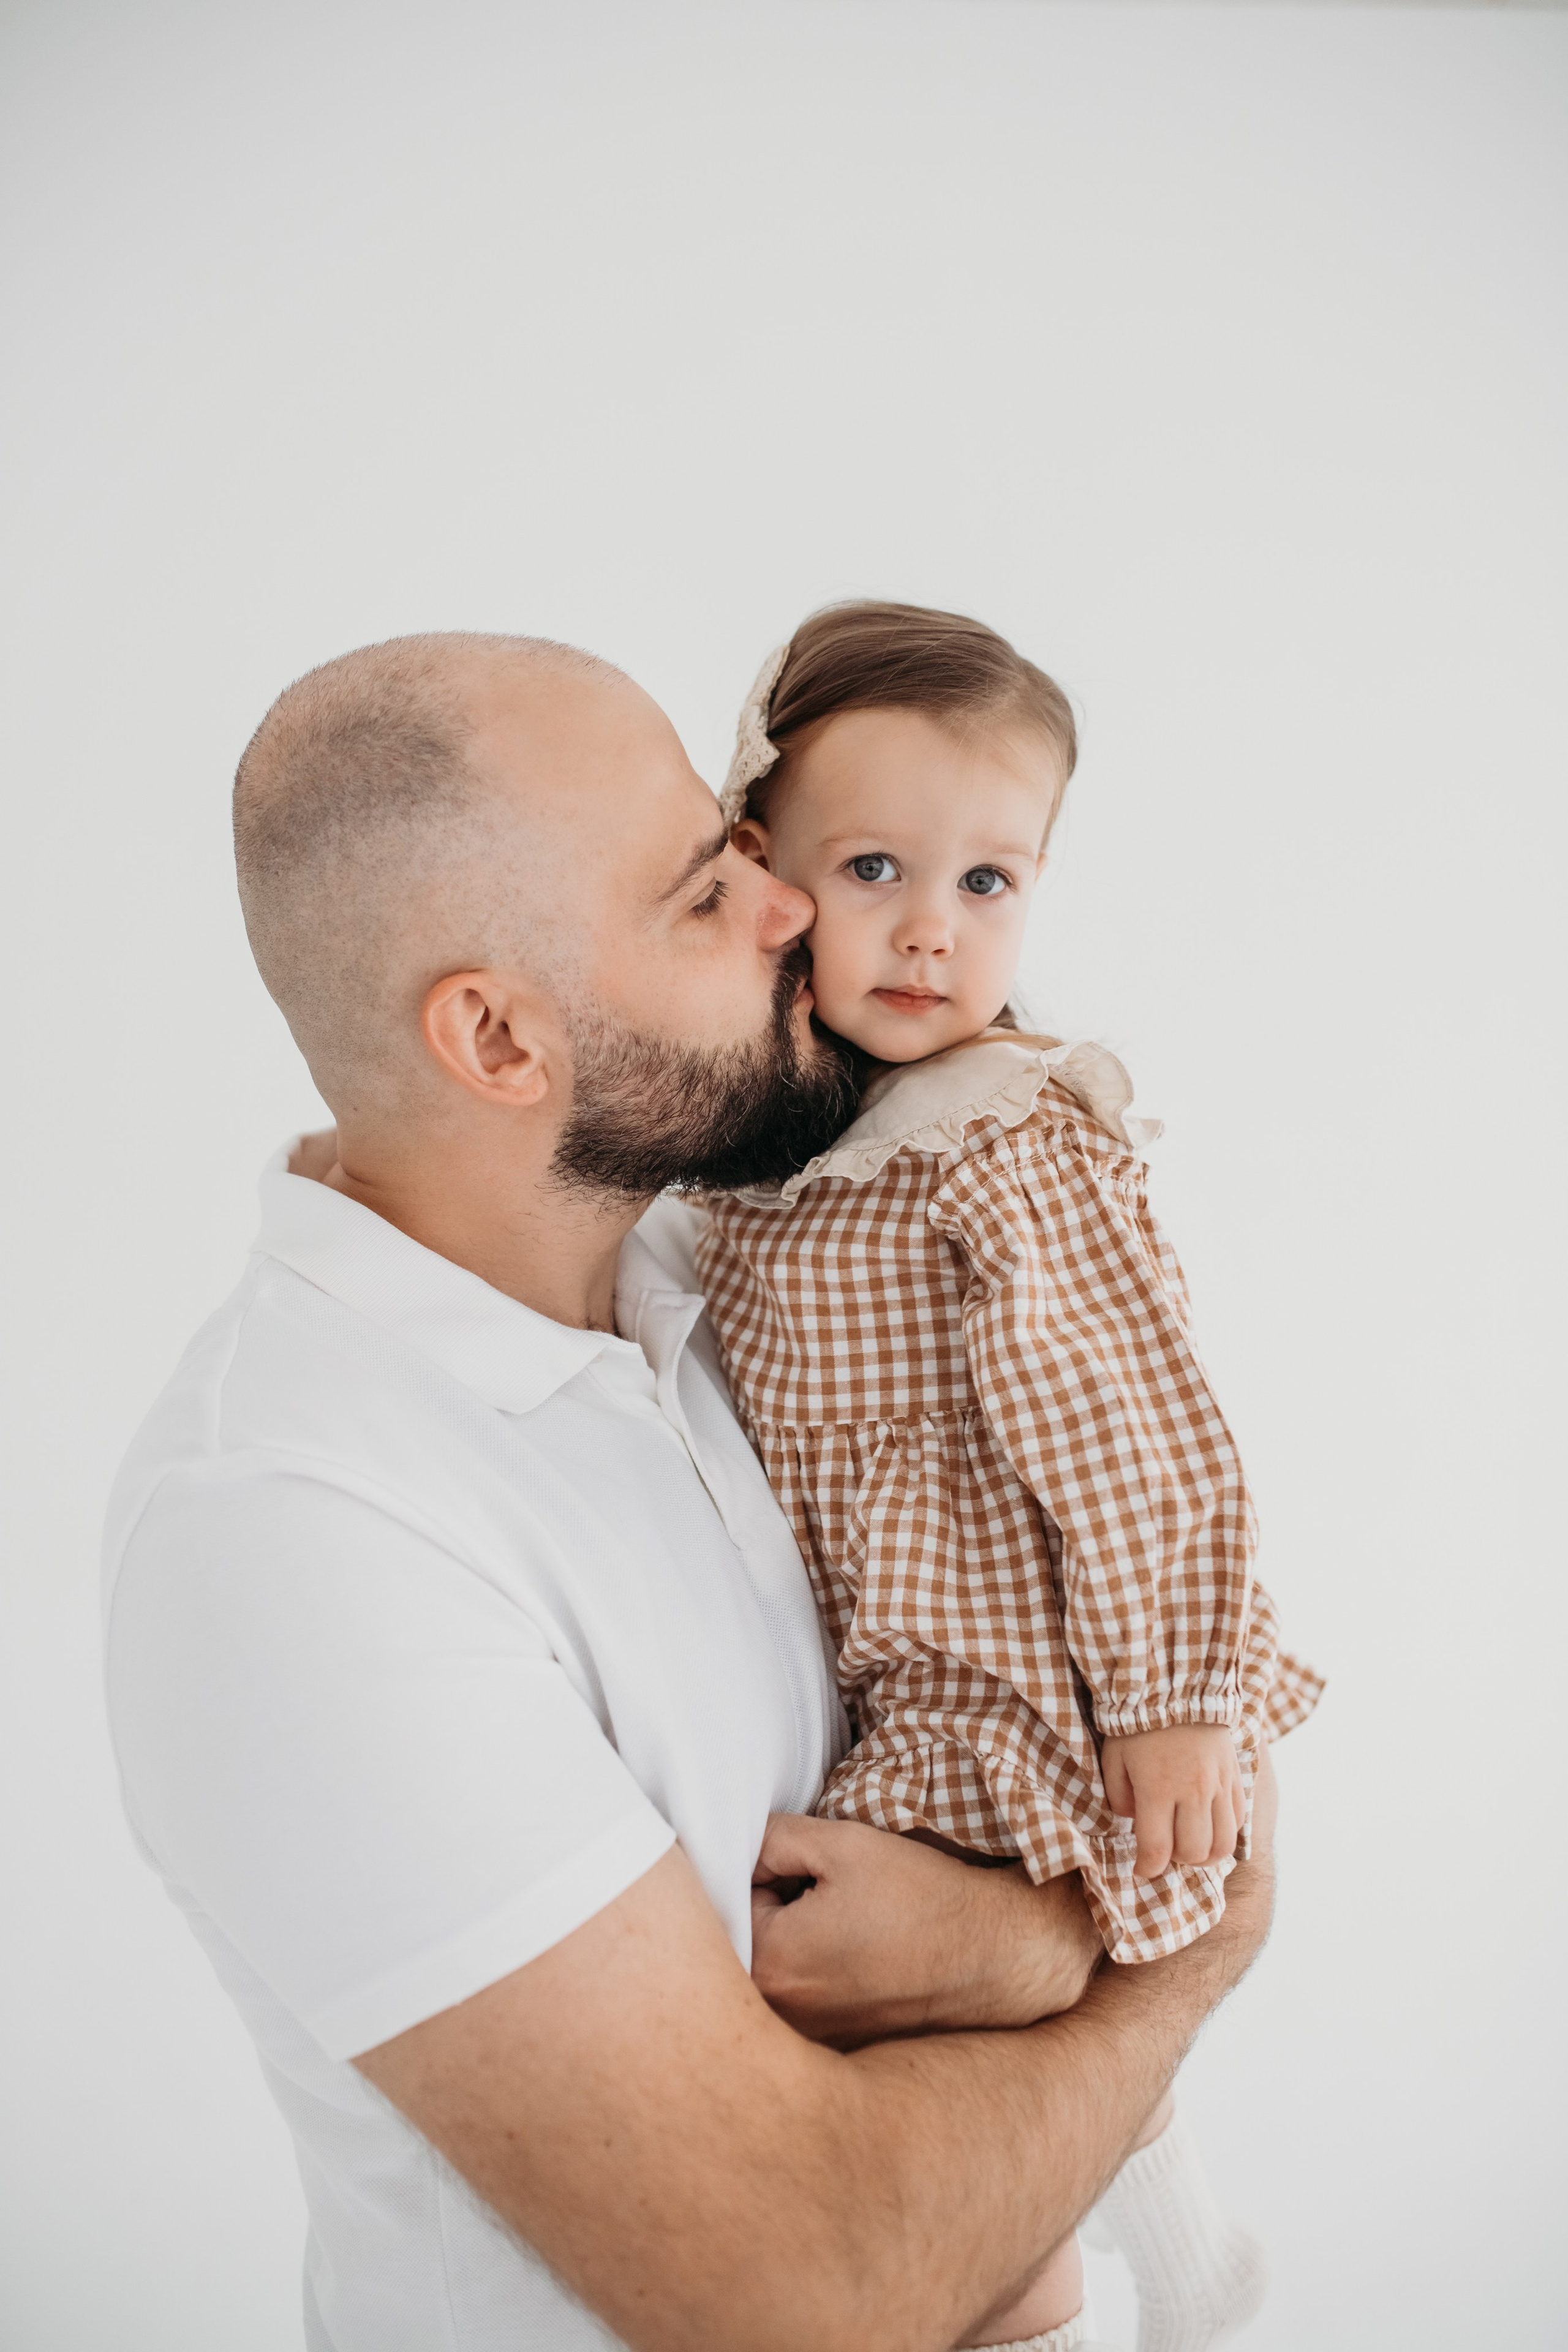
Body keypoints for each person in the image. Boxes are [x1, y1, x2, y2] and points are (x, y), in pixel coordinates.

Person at [102, 631, 1276, 2352]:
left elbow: (1151, 1654)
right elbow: (796, 2292)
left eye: (741, 838)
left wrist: (1029, 1945)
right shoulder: (293, 1525)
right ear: (501, 1039)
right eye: (700, 894)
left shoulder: (736, 1285)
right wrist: (1173, 1959)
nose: (792, 903)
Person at [697, 601, 1324, 2351]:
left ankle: (1098, 2289)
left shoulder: (1001, 1137)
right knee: (957, 2039)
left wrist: (1173, 1700)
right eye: (878, 865)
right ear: (763, 869)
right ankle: (1175, 2247)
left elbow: (1131, 1434)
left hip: (1013, 1671)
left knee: (937, 2044)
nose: (929, 930)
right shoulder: (785, 1150)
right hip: (890, 1664)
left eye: (992, 882)